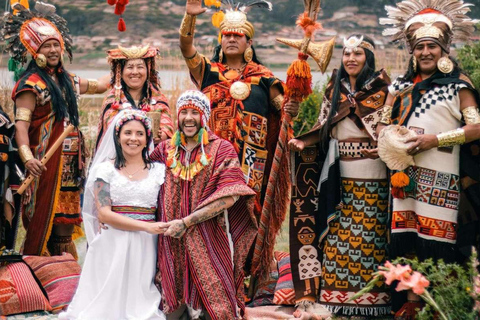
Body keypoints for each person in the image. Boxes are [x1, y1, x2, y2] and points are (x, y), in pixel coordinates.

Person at [178, 0, 299, 277]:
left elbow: (283, 110)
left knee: (246, 217)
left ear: (249, 42)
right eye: (226, 35)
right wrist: (189, 17)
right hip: (210, 159)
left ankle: (245, 276)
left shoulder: (264, 78)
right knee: (208, 214)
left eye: (237, 35)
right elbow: (186, 48)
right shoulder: (206, 71)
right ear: (221, 40)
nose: (231, 39)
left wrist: (292, 106)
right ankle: (207, 275)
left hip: (251, 162)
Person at [378, 0, 480, 314]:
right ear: (412, 51)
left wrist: (433, 140)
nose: (425, 52)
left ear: (443, 51)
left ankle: (442, 305)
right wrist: (391, 141)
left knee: (439, 243)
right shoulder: (398, 88)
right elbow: (382, 123)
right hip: (404, 179)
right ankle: (410, 305)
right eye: (420, 46)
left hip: (443, 179)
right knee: (407, 240)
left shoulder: (459, 87)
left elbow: (476, 127)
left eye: (432, 46)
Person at [288, 35, 392, 316]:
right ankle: (336, 298)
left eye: (357, 53)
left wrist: (383, 147)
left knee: (371, 237)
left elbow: (390, 129)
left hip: (375, 176)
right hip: (339, 174)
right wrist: (303, 142)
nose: (351, 59)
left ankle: (373, 301)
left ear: (368, 58)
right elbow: (323, 126)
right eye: (346, 53)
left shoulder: (384, 91)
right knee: (337, 236)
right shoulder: (335, 89)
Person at [2, 2, 110, 258]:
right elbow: (21, 126)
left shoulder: (68, 80)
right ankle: (40, 273)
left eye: (55, 45)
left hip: (71, 166)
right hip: (44, 163)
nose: (53, 50)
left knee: (65, 224)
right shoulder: (31, 85)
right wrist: (28, 159)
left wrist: (125, 64)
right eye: (46, 46)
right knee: (43, 223)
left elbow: (100, 85)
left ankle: (66, 276)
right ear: (34, 50)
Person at [151, 90, 257, 320]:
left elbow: (230, 195)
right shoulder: (164, 150)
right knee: (173, 301)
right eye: (184, 112)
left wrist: (187, 222)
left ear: (204, 116)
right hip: (171, 238)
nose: (189, 118)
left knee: (217, 301)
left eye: (195, 113)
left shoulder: (222, 149)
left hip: (209, 234)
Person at [59, 110, 166, 320]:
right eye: (127, 133)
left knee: (139, 302)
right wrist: (147, 227)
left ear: (147, 139)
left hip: (145, 246)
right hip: (112, 242)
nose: (133, 138)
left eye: (139, 134)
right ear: (118, 137)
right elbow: (105, 215)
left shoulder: (159, 171)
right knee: (103, 306)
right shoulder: (104, 171)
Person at [95, 45, 174, 149]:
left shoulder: (159, 99)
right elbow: (110, 130)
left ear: (148, 70)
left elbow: (166, 126)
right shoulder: (112, 101)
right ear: (121, 72)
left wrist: (161, 135)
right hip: (119, 159)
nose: (135, 72)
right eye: (130, 67)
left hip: (152, 159)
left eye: (140, 67)